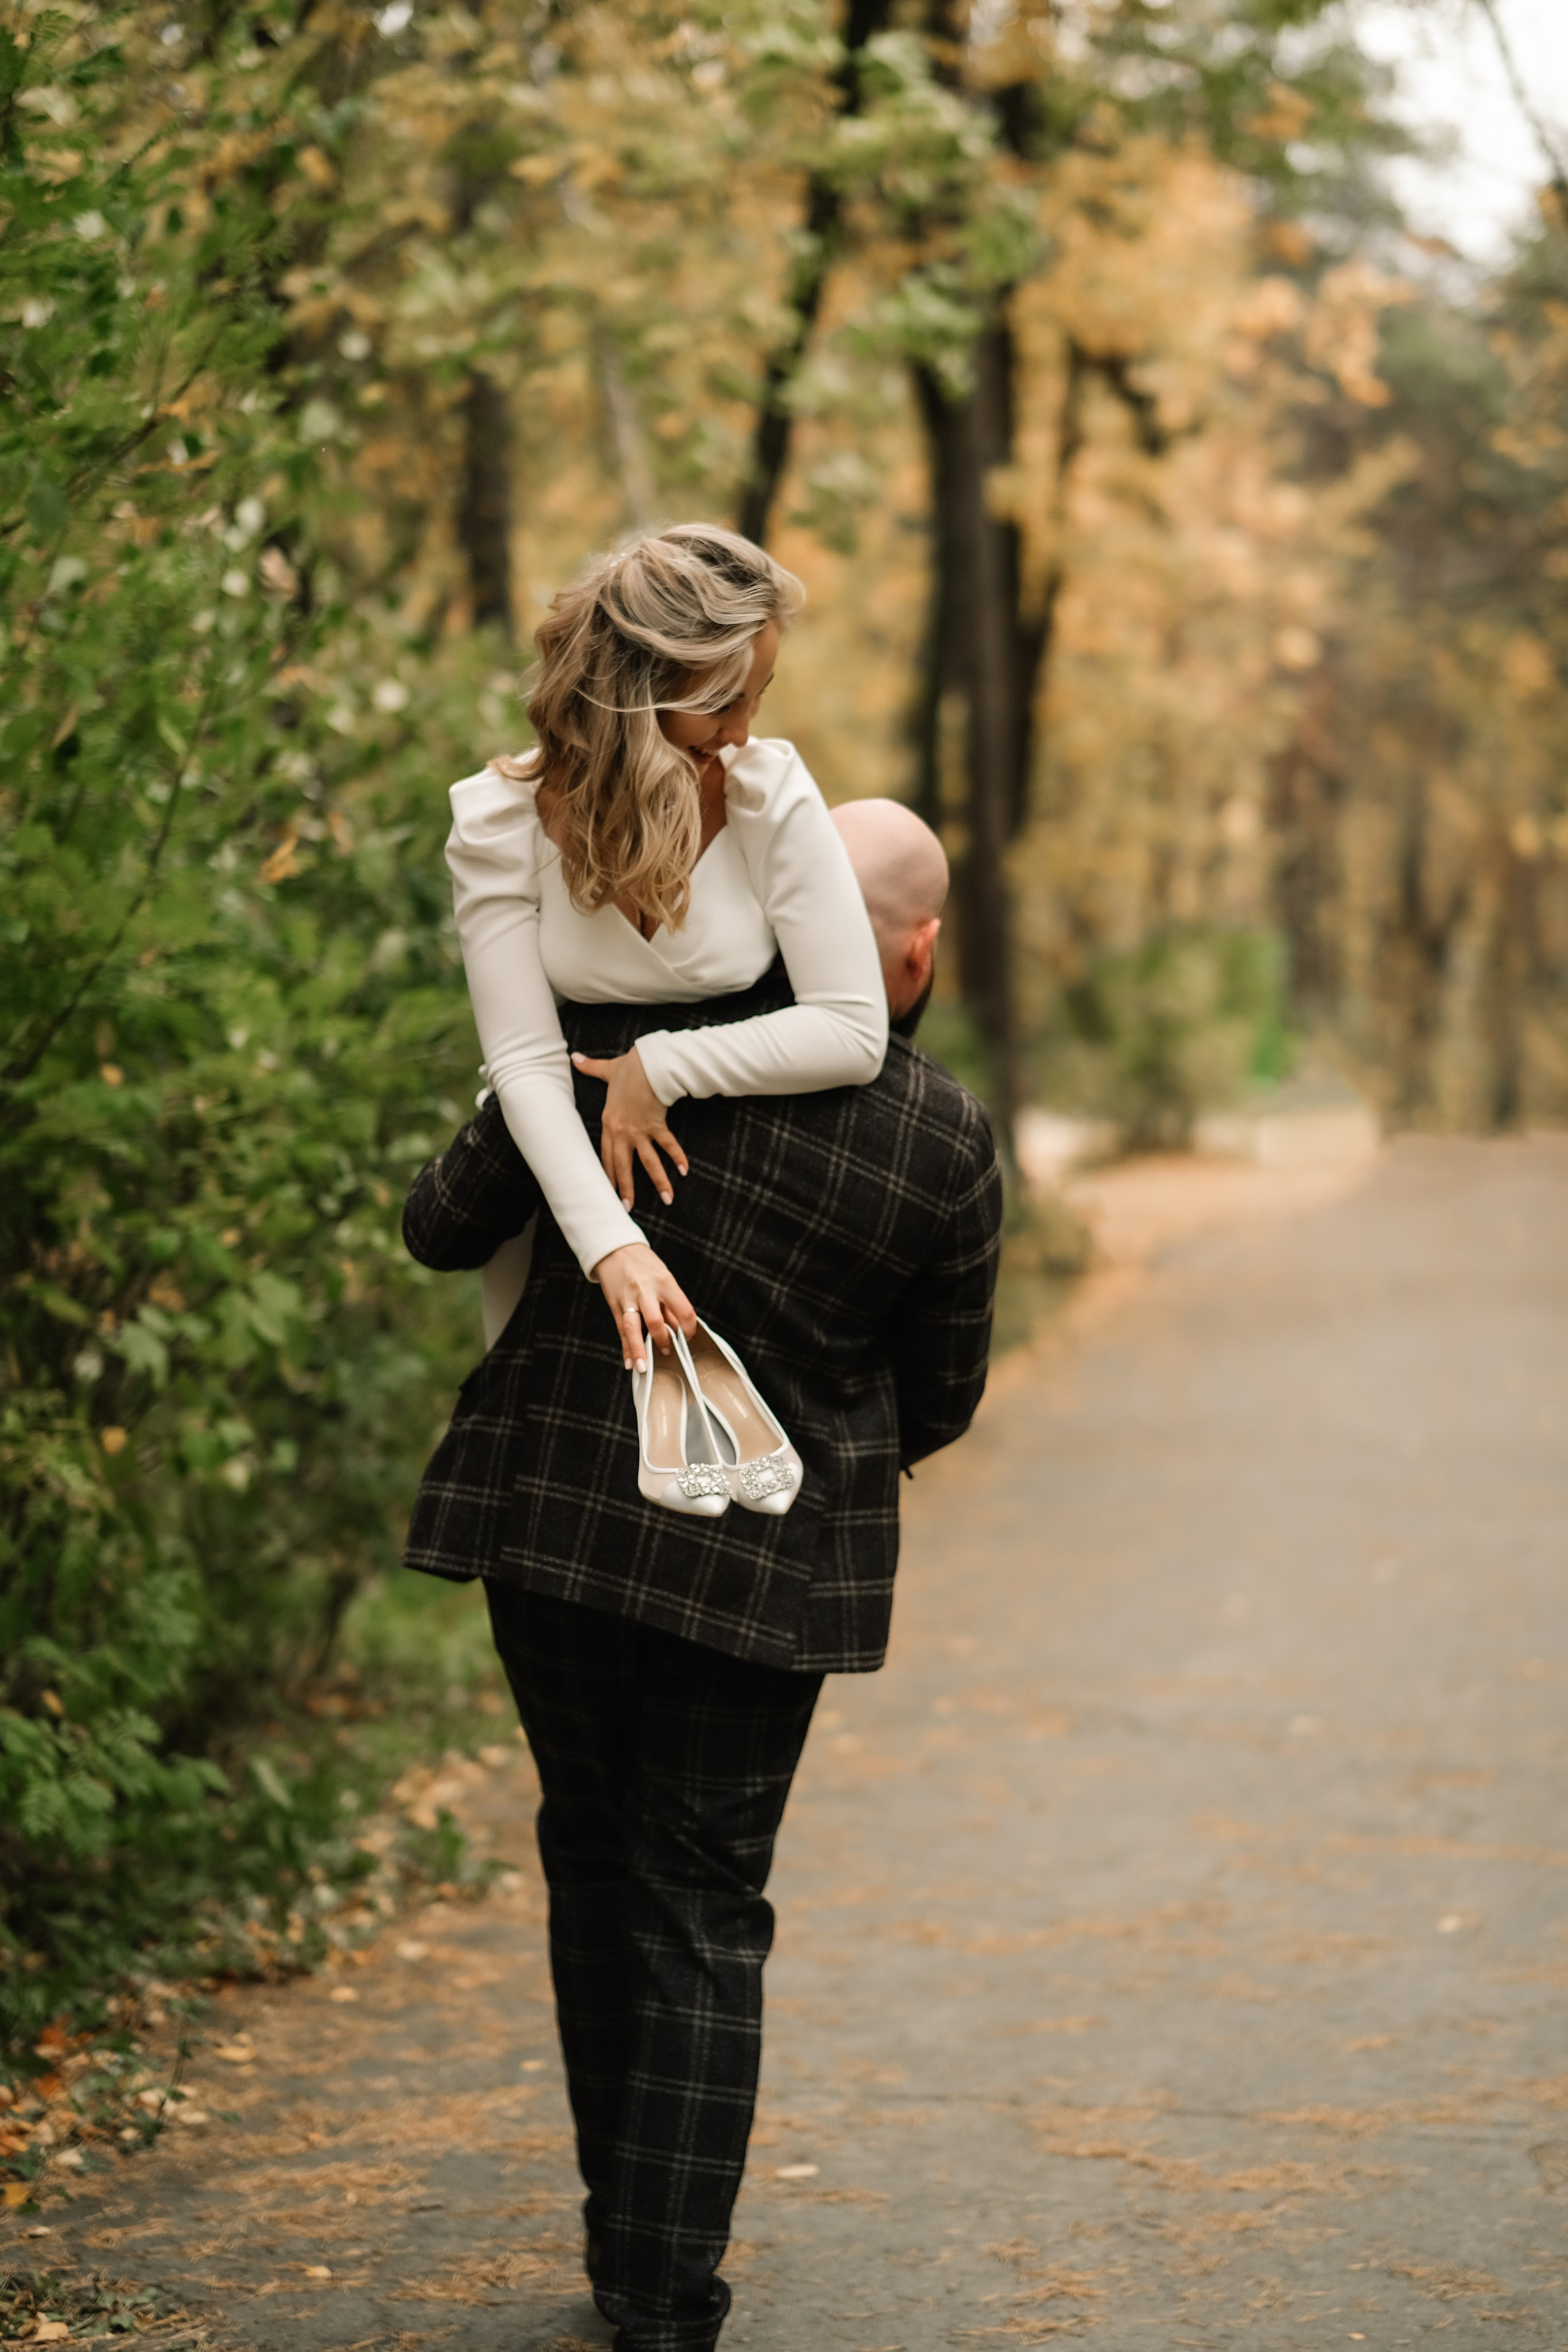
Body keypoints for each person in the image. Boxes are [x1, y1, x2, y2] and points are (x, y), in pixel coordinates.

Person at [402, 799, 1001, 2352]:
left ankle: (625, 2225)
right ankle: (659, 2293)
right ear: (916, 952)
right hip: (766, 1569)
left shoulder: (616, 1036)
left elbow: (440, 1224)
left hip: (561, 1522)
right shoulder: (940, 1138)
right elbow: (940, 1392)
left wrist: (545, 1081)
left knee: (592, 1856)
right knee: (702, 1900)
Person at [445, 521, 888, 1385]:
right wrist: (611, 1248)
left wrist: (664, 1065)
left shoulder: (770, 793)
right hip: (566, 1196)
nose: (743, 729)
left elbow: (853, 1027)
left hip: (735, 1193)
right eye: (723, 702)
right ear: (636, 696)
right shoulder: (498, 822)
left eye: (759, 694)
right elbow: (524, 1060)